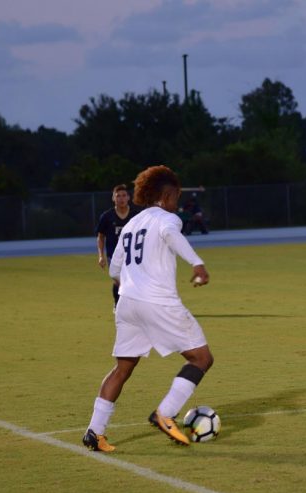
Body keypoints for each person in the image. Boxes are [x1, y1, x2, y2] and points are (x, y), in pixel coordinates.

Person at [83, 165, 214, 452]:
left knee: (122, 368)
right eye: (176, 196)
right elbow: (171, 235)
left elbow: (114, 270)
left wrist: (134, 280)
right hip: (157, 301)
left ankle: (94, 431)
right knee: (201, 358)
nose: (177, 202)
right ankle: (165, 413)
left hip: (127, 303)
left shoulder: (131, 223)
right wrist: (197, 263)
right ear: (167, 195)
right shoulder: (167, 219)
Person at [96, 184, 140, 305]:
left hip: (132, 255)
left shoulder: (136, 216)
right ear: (113, 198)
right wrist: (101, 255)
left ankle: (133, 306)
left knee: (133, 280)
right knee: (118, 281)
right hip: (114, 255)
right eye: (118, 196)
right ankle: (118, 304)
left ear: (128, 198)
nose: (121, 198)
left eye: (124, 195)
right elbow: (100, 236)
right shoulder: (107, 216)